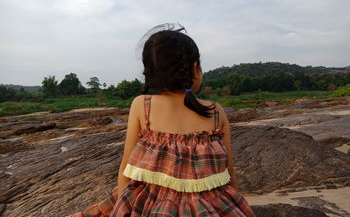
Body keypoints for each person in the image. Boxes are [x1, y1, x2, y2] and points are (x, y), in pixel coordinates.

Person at [66, 23, 255, 217]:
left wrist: (122, 207)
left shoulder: (142, 106)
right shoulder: (216, 112)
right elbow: (228, 172)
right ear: (195, 68)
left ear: (150, 73)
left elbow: (126, 168)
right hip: (208, 207)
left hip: (149, 205)